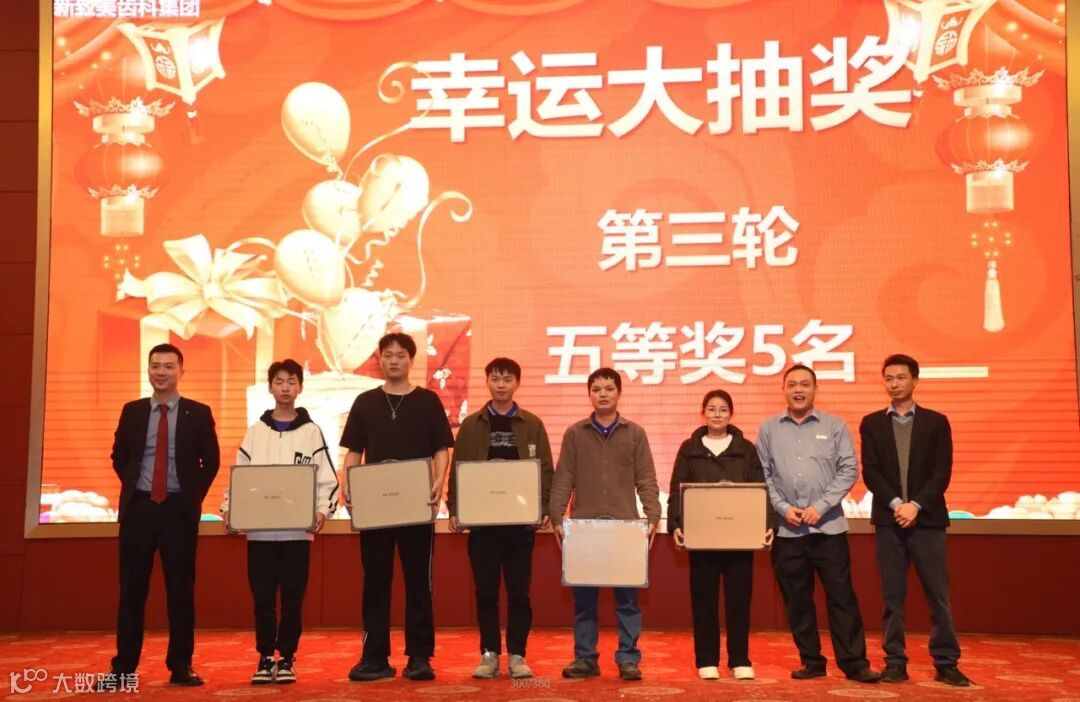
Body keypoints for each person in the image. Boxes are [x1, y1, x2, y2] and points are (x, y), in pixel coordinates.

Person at [340, 332, 454, 682]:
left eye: (400, 355)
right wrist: (347, 482)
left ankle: (420, 656)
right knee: (375, 582)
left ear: (411, 360)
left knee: (419, 582)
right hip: (375, 508)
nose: (394, 360)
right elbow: (354, 451)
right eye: (388, 355)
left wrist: (439, 482)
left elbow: (441, 448)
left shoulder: (427, 401)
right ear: (379, 359)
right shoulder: (365, 402)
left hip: (417, 505)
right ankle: (374, 657)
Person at [105, 343, 220, 687]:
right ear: (148, 370)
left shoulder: (198, 413)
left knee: (180, 590)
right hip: (139, 509)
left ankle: (181, 665)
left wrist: (191, 497)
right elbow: (119, 456)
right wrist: (134, 485)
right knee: (131, 591)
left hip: (178, 511)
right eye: (155, 366)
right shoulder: (133, 411)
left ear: (181, 371)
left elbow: (211, 462)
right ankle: (123, 668)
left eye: (169, 366)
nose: (161, 372)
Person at [757, 364, 880, 683]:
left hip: (829, 529)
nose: (798, 390)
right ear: (783, 389)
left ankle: (855, 664)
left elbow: (849, 471)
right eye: (792, 384)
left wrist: (821, 507)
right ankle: (811, 661)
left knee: (842, 598)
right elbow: (762, 475)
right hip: (787, 530)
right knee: (797, 601)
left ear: (815, 389)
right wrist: (782, 507)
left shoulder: (835, 426)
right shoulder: (768, 429)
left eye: (805, 384)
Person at [222, 359, 339, 685]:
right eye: (279, 381)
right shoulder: (255, 432)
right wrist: (230, 509)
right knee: (262, 598)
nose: (285, 387)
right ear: (270, 387)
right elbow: (240, 477)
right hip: (260, 534)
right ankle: (264, 657)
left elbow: (327, 480)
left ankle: (286, 656)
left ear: (299, 387)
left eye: (291, 381)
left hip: (297, 534)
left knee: (292, 598)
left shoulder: (312, 432)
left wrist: (321, 512)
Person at [860, 354, 971, 687]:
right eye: (888, 378)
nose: (894, 384)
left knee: (938, 594)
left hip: (929, 520)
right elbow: (871, 473)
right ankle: (895, 661)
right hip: (889, 520)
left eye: (901, 377)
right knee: (892, 596)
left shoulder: (936, 422)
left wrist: (916, 506)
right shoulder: (872, 423)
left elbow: (941, 472)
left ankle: (946, 662)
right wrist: (898, 505)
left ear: (915, 380)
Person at [549, 367, 661, 682]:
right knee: (584, 601)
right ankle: (585, 658)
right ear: (589, 394)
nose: (603, 394)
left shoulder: (635, 433)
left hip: (625, 529)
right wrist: (557, 517)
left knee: (628, 600)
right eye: (596, 389)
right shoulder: (575, 433)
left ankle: (628, 658)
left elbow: (646, 479)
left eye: (609, 388)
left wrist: (653, 516)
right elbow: (563, 478)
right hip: (584, 529)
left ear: (619, 393)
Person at [447, 357, 555, 680]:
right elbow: (458, 470)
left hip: (520, 525)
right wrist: (455, 508)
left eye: (507, 379)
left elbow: (545, 470)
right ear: (487, 382)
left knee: (520, 592)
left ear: (517, 383)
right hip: (483, 525)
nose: (501, 385)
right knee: (486, 592)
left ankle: (518, 655)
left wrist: (544, 508)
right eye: (495, 378)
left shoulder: (532, 424)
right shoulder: (471, 425)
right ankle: (489, 653)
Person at [667, 389, 776, 681]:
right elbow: (677, 489)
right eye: (712, 409)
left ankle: (740, 659)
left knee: (739, 602)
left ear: (731, 413)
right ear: (703, 413)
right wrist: (675, 525)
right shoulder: (689, 448)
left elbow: (761, 489)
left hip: (739, 539)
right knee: (704, 602)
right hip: (702, 539)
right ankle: (706, 660)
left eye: (723, 409)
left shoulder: (746, 449)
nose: (717, 414)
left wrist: (768, 524)